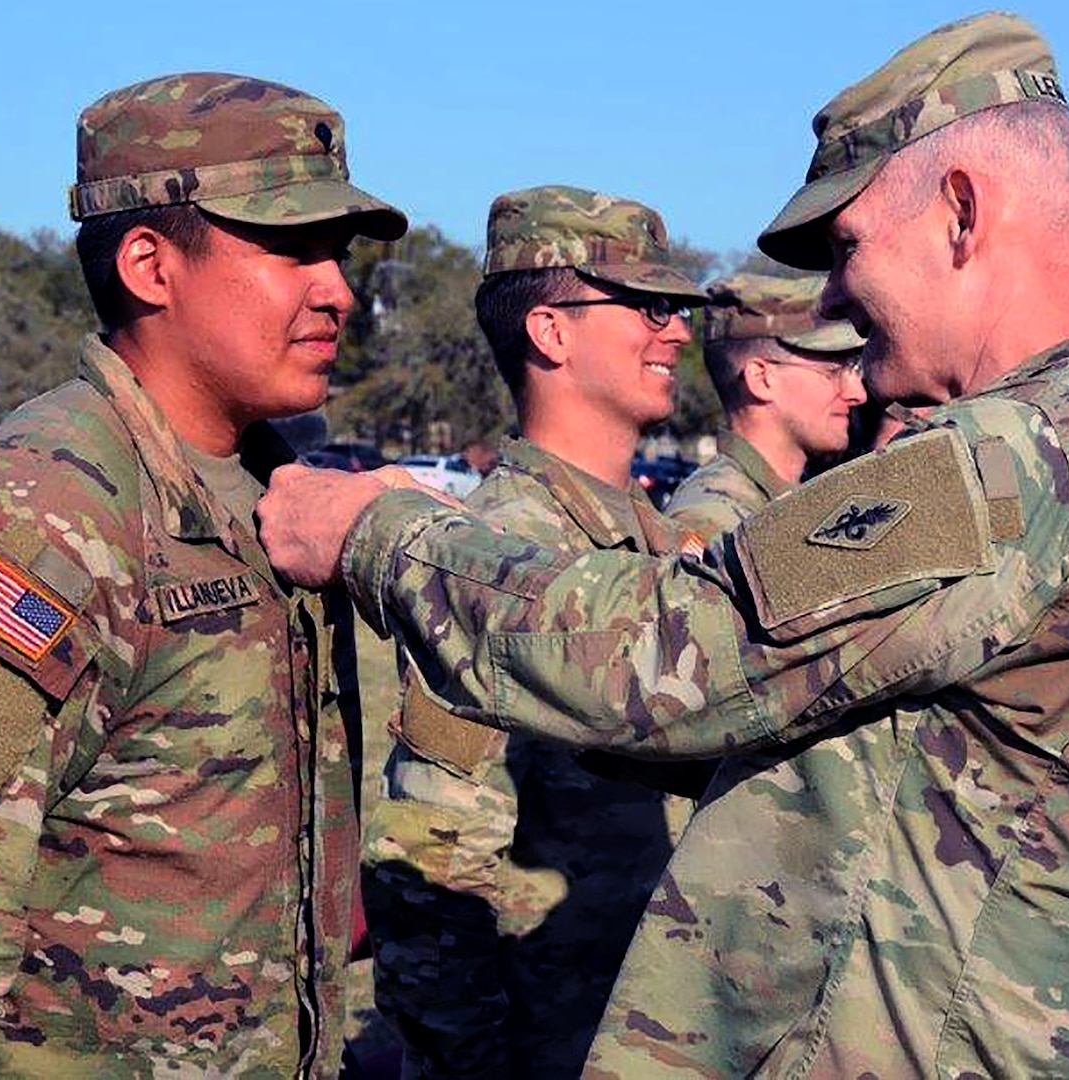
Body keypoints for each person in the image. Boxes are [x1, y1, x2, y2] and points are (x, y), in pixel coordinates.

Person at [258, 12, 1069, 1075]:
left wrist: (372, 527)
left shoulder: (1017, 459)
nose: (832, 298)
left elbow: (671, 651)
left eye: (846, 246)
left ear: (961, 211)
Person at [0, 72, 406, 1076]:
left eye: (337, 251)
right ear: (150, 265)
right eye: (292, 247)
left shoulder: (270, 490)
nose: (338, 287)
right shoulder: (44, 520)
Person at [362, 185, 708, 1077]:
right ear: (550, 331)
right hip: (545, 1042)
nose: (675, 331)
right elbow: (430, 872)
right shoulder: (500, 557)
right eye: (646, 306)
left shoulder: (654, 540)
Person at [665, 272, 866, 538]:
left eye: (854, 369)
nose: (857, 393)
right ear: (761, 379)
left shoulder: (793, 501)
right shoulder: (714, 520)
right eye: (832, 372)